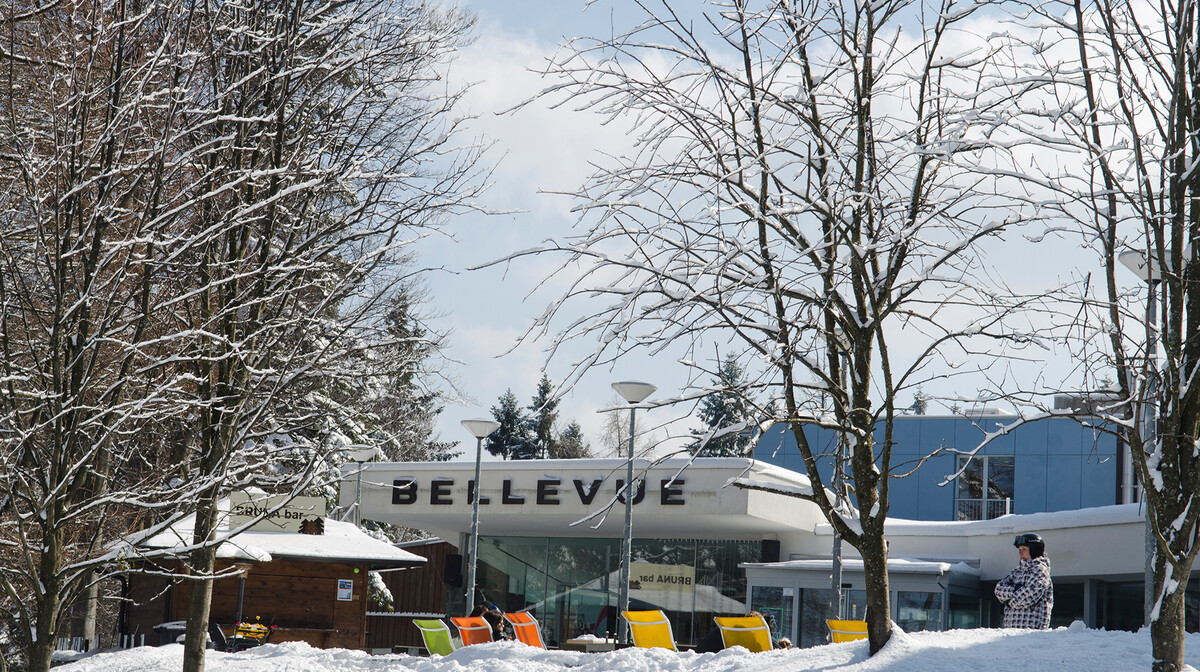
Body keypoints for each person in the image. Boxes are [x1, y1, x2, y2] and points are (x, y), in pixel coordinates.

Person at [995, 532, 1054, 629]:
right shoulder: (1017, 571)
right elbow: (998, 589)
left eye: (1024, 549)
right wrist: (1016, 590)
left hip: (1031, 631)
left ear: (1035, 550)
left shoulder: (1040, 570)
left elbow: (1027, 597)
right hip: (1010, 630)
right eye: (1019, 549)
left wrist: (1009, 602)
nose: (1020, 553)